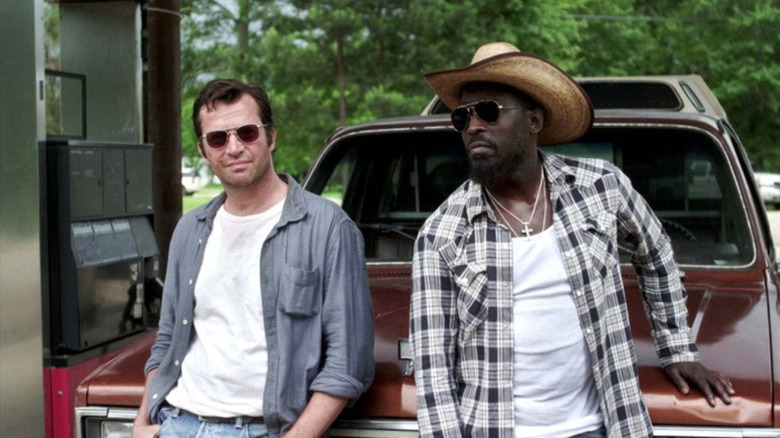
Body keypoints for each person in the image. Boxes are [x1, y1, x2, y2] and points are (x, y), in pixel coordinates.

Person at [410, 42, 735, 438]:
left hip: (603, 425)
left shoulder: (600, 186)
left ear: (534, 120)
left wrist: (677, 348)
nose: (473, 126)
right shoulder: (442, 233)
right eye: (462, 117)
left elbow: (656, 253)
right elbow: (433, 367)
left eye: (489, 111)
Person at [132, 78, 374, 438]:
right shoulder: (189, 230)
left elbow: (348, 361)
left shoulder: (328, 228)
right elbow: (167, 340)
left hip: (265, 430)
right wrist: (141, 424)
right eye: (218, 138)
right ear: (203, 150)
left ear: (270, 137)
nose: (234, 148)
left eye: (247, 133)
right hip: (178, 424)